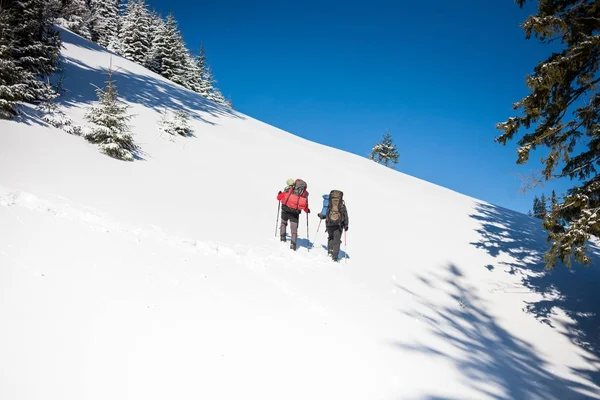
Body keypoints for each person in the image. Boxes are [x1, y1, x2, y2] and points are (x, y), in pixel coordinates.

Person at [277, 179, 310, 251]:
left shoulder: (290, 189)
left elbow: (279, 198)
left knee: (283, 223)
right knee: (294, 230)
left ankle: (282, 238)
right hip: (295, 213)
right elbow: (304, 205)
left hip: (285, 210)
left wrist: (279, 194)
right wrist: (307, 210)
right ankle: (293, 245)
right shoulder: (304, 193)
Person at [318, 190, 348, 261]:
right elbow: (345, 215)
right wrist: (346, 225)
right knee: (336, 240)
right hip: (339, 224)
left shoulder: (329, 203)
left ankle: (330, 251)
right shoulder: (342, 205)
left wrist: (321, 216)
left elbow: (324, 213)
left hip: (329, 224)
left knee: (331, 237)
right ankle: (335, 257)